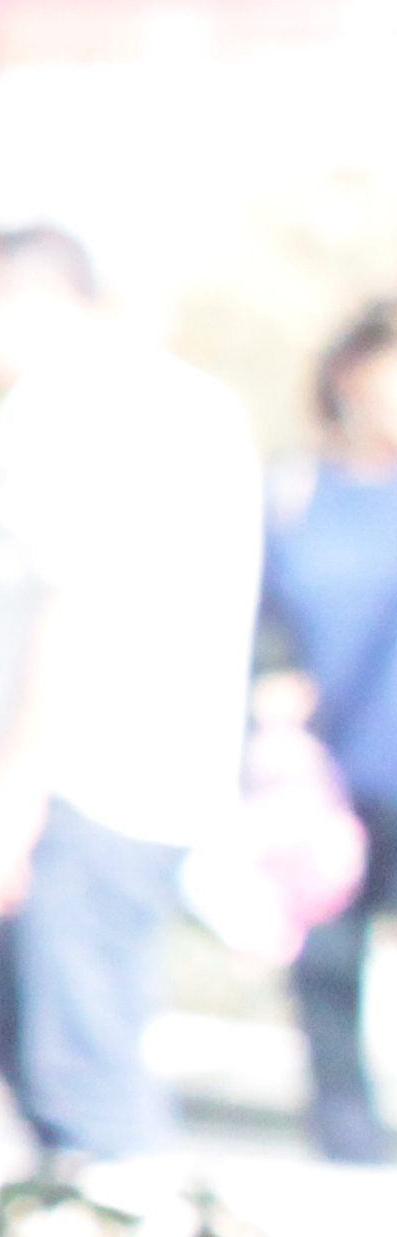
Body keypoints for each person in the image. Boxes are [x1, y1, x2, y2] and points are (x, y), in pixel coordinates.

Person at [0, 226, 263, 1162]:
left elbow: (77, 600)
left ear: (15, 300)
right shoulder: (194, 403)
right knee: (22, 1024)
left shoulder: (66, 402)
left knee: (80, 1074)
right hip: (169, 776)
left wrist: (13, 787)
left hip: (85, 779)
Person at [261, 299, 397, 1164]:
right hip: (325, 776)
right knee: (325, 961)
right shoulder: (295, 493)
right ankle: (347, 1136)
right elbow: (260, 611)